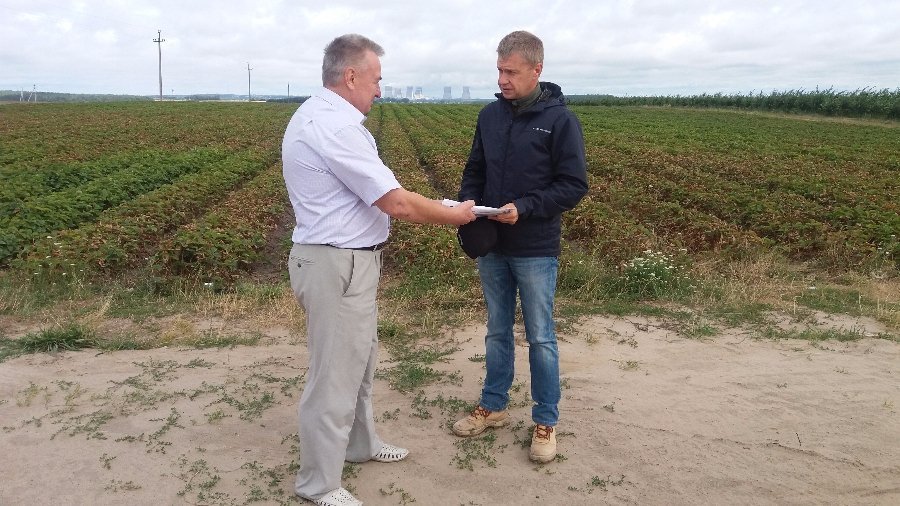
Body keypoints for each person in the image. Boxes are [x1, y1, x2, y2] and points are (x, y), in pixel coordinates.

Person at [282, 34, 476, 506]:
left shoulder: (321, 115)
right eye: (376, 80)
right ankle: (319, 485)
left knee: (359, 362)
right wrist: (455, 215)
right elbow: (397, 203)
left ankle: (360, 444)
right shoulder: (335, 127)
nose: (380, 90)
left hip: (346, 261)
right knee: (333, 377)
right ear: (351, 76)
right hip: (336, 263)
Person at [453, 30, 588, 464]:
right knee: (497, 330)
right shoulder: (490, 116)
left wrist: (525, 208)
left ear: (536, 70)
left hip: (535, 246)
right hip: (493, 243)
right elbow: (474, 170)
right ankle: (493, 405)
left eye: (510, 72)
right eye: (499, 70)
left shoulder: (560, 121)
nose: (502, 79)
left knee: (541, 336)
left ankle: (545, 420)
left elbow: (573, 185)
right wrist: (470, 206)